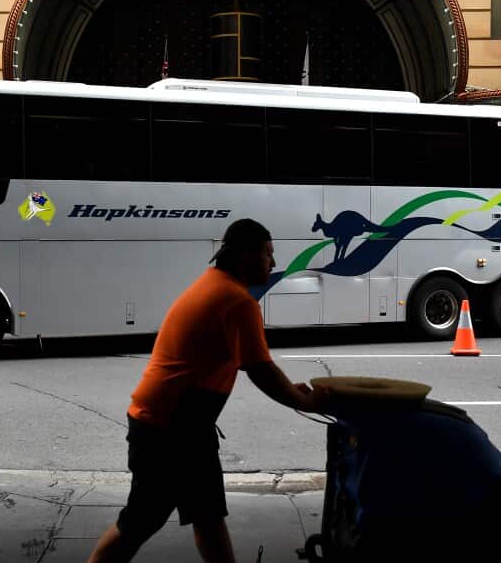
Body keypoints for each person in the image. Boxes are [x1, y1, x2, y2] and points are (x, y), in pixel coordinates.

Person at [88, 218, 325, 563]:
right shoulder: (236, 301)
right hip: (169, 429)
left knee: (207, 514)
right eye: (268, 254)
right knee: (141, 521)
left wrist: (291, 389)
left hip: (179, 425)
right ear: (245, 256)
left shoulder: (214, 284)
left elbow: (255, 367)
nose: (273, 263)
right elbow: (260, 370)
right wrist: (303, 400)